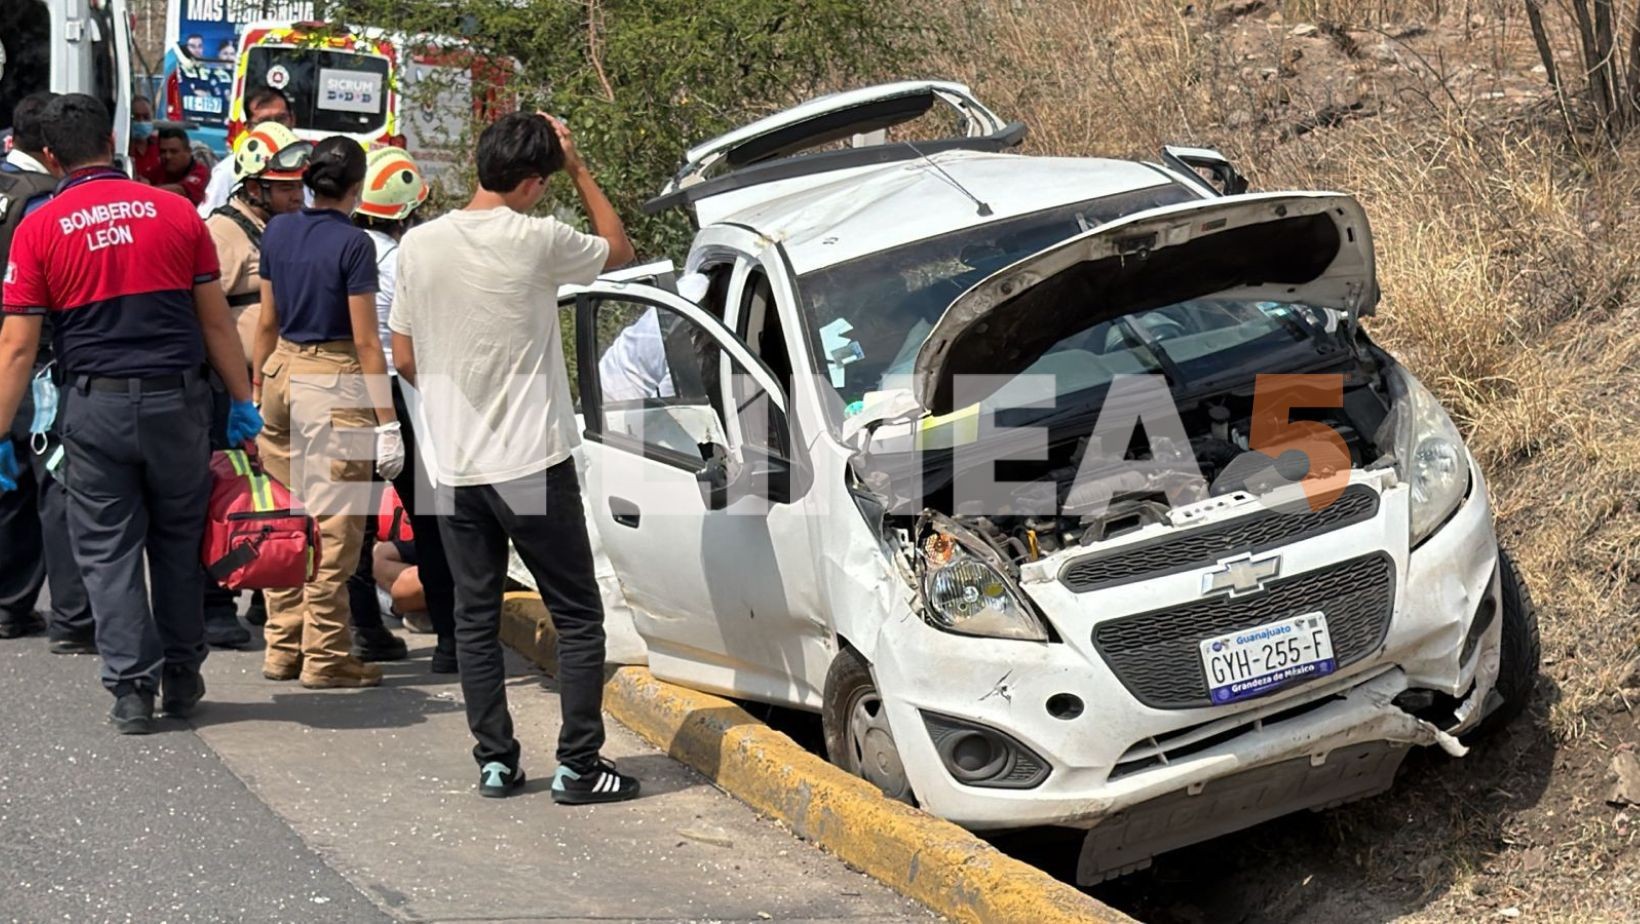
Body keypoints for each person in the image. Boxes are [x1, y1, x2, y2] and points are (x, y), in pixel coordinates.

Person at [389, 111, 639, 801]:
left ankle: (495, 762)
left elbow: (404, 355)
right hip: (530, 460)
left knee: (475, 617)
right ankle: (579, 766)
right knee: (578, 615)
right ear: (533, 184)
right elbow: (618, 249)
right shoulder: (538, 240)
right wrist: (581, 166)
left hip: (452, 464)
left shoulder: (418, 245)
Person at [0, 93, 261, 733]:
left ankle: (131, 690)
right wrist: (243, 403)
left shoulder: (42, 225)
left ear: (53, 157)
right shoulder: (177, 213)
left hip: (95, 408)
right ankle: (181, 670)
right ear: (114, 144)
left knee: (109, 551)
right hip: (180, 404)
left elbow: (17, 346)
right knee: (177, 542)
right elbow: (216, 323)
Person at [252, 136, 403, 689]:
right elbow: (367, 341)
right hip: (335, 379)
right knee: (335, 526)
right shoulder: (356, 245)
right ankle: (327, 656)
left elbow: (266, 321)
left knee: (284, 521)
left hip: (280, 373)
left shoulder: (279, 230)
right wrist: (387, 422)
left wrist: (255, 388)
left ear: (307, 182)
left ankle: (282, 647)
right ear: (358, 188)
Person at [342, 145, 461, 668]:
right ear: (408, 212)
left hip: (343, 391)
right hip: (398, 394)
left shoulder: (342, 249)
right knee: (431, 520)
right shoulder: (399, 260)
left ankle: (364, 628)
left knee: (352, 521)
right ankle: (451, 643)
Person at [199, 121, 310, 643]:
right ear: (253, 185)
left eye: (297, 185)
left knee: (274, 495)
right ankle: (215, 600)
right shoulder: (223, 234)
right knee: (228, 494)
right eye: (284, 186)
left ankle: (268, 594)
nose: (295, 194)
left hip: (272, 384)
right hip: (231, 388)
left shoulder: (280, 229)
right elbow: (204, 314)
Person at [0, 91, 94, 650]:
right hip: (34, 357)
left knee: (9, 485)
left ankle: (10, 603)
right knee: (56, 483)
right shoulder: (42, 201)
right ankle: (71, 616)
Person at [199, 86, 296, 217]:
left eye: (281, 119)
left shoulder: (307, 164)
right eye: (264, 122)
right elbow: (208, 222)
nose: (275, 127)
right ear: (249, 128)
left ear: (292, 120)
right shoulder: (229, 172)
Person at [153, 127, 211, 206]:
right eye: (163, 151)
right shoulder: (158, 170)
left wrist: (146, 189)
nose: (167, 156)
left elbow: (179, 191)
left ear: (188, 151)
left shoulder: (201, 172)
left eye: (174, 151)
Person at [127, 95, 160, 185]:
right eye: (136, 117)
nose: (141, 122)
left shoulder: (161, 145)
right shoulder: (122, 148)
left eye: (146, 117)